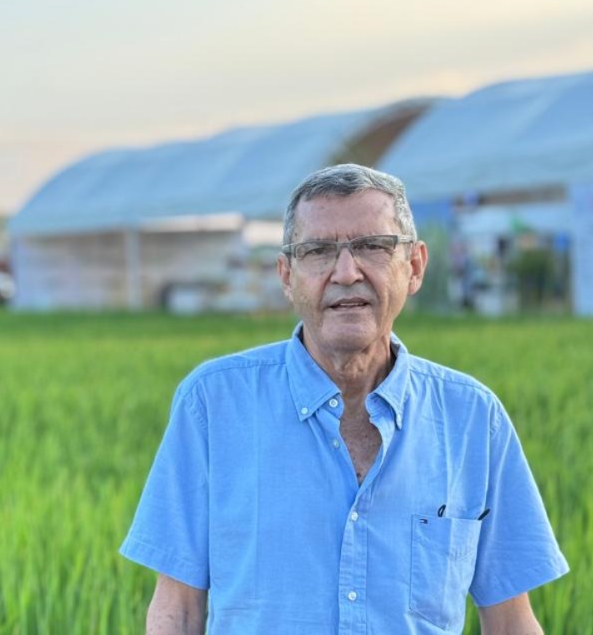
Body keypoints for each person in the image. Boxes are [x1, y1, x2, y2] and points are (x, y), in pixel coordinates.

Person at [121, 164, 568, 634]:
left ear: (413, 267)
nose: (346, 272)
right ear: (286, 275)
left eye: (372, 246)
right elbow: (178, 610)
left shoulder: (473, 419)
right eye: (318, 252)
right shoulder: (212, 404)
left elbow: (510, 620)